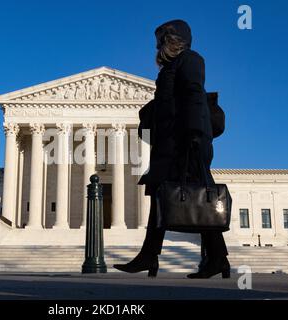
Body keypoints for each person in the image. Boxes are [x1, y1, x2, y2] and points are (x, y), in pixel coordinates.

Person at [113, 19, 230, 279]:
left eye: (160, 42)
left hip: (187, 142)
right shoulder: (170, 67)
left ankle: (155, 256)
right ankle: (210, 259)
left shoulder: (190, 60)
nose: (157, 48)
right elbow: (170, 103)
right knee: (166, 194)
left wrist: (194, 136)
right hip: (172, 142)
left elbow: (194, 97)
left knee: (201, 199)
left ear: (173, 41)